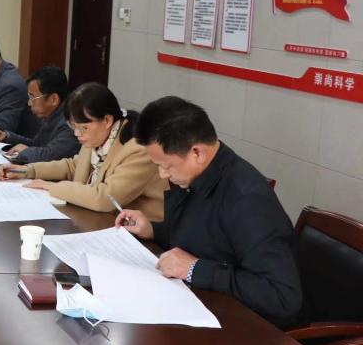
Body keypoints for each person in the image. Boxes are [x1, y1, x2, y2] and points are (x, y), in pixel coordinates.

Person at [115, 96, 302, 327]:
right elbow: (205, 236)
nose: (163, 175)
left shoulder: (247, 200)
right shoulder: (200, 175)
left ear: (197, 153)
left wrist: (194, 269)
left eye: (166, 166)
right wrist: (152, 229)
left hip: (250, 331)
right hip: (203, 306)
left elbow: (282, 297)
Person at [0, 82, 167, 219]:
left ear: (107, 120)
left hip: (141, 236)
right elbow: (73, 166)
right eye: (73, 126)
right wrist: (27, 171)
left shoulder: (138, 149)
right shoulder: (97, 135)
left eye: (82, 127)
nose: (77, 134)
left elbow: (104, 198)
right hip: (101, 220)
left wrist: (50, 187)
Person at [0, 66, 80, 164]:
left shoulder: (70, 122)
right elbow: (37, 144)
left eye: (32, 97)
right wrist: (7, 136)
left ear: (53, 99)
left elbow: (51, 156)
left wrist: (26, 151)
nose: (29, 103)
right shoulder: (51, 114)